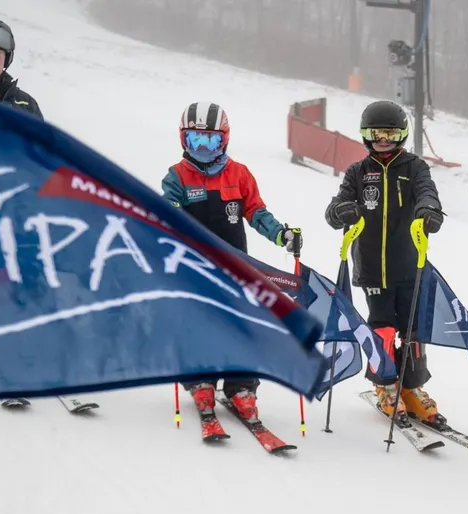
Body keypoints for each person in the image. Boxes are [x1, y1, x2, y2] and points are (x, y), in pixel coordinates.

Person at [163, 101, 302, 427]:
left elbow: (257, 213)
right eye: (195, 139)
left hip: (235, 266)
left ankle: (241, 386)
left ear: (223, 140)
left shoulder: (238, 174)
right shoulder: (177, 176)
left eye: (209, 140)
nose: (202, 147)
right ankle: (201, 381)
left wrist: (283, 236)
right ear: (184, 139)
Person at [323, 100, 446, 425]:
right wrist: (340, 212)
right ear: (366, 135)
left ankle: (412, 387)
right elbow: (336, 206)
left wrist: (429, 210)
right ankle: (385, 385)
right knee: (382, 325)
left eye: (390, 134)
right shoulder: (358, 172)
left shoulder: (414, 167)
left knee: (412, 328)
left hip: (409, 263)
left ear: (401, 134)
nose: (383, 140)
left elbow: (427, 192)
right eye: (377, 134)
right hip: (373, 267)